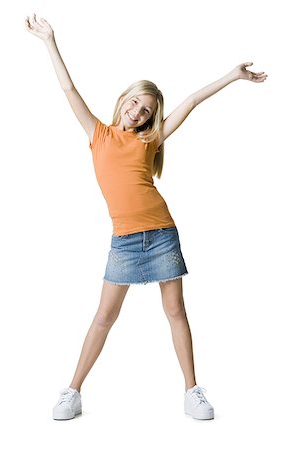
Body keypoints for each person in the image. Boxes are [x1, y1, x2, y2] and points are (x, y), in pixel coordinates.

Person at [25, 13, 268, 422]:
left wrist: (232, 75)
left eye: (147, 109)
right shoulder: (98, 134)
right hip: (123, 240)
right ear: (124, 99)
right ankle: (73, 390)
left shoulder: (149, 140)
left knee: (175, 311)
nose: (139, 111)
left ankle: (192, 390)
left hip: (161, 234)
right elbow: (68, 87)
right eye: (136, 102)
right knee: (104, 316)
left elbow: (190, 102)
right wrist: (50, 41)